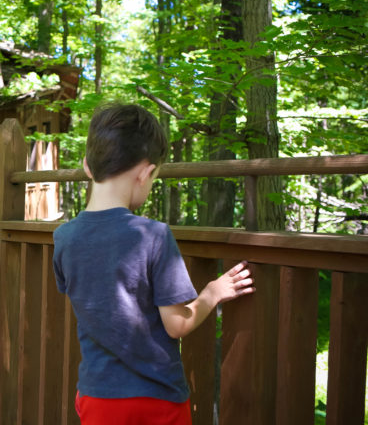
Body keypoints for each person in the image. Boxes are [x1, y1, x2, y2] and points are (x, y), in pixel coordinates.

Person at [52, 102, 255, 425]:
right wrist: (213, 293)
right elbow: (178, 325)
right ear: (146, 173)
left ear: (87, 166)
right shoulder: (153, 236)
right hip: (156, 398)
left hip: (97, 396)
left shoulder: (64, 238)